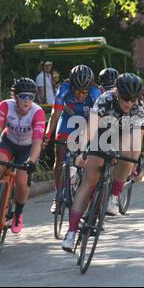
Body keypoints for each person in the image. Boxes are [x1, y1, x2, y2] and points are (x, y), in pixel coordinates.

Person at [61, 73, 144, 252]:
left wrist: (136, 164)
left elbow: (137, 138)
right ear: (116, 92)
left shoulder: (139, 107)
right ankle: (71, 232)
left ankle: (113, 196)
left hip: (123, 135)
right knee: (90, 180)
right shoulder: (105, 100)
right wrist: (82, 151)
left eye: (133, 99)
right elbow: (91, 128)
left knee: (128, 153)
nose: (129, 103)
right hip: (101, 134)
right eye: (125, 98)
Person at [0, 78, 46, 234]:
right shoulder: (5, 106)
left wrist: (32, 161)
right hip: (8, 142)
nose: (27, 101)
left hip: (28, 147)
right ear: (15, 97)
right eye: (23, 96)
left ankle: (18, 214)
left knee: (22, 181)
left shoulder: (38, 113)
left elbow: (37, 142)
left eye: (31, 97)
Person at [44, 65, 101, 214]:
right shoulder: (63, 89)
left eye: (84, 92)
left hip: (88, 121)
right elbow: (55, 115)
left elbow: (98, 121)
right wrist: (46, 135)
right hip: (68, 120)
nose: (80, 95)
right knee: (60, 155)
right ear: (71, 85)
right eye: (76, 91)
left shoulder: (96, 93)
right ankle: (58, 195)